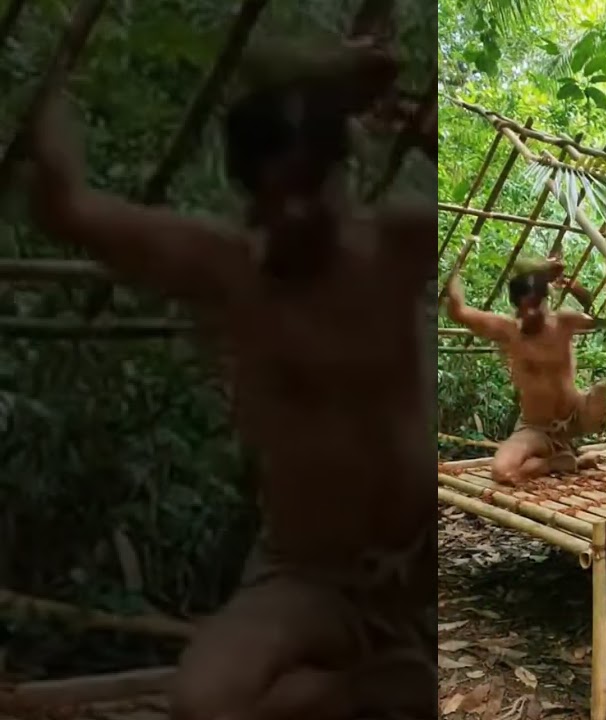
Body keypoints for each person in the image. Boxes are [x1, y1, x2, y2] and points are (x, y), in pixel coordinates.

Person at [25, 42, 439, 720]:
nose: (296, 215)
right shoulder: (229, 271)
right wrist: (54, 75)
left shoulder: (402, 249)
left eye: (311, 188)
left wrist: (396, 115)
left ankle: (397, 675)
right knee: (205, 702)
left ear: (343, 174)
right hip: (312, 576)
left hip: (426, 566)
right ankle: (367, 687)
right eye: (276, 200)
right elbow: (66, 207)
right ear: (249, 197)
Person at [444, 257, 606, 485]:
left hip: (578, 414)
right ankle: (559, 462)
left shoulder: (564, 322)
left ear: (544, 302)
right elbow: (459, 313)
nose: (529, 314)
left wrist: (575, 288)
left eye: (534, 307)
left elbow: (602, 318)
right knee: (503, 471)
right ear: (516, 306)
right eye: (523, 308)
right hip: (536, 428)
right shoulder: (507, 330)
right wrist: (453, 278)